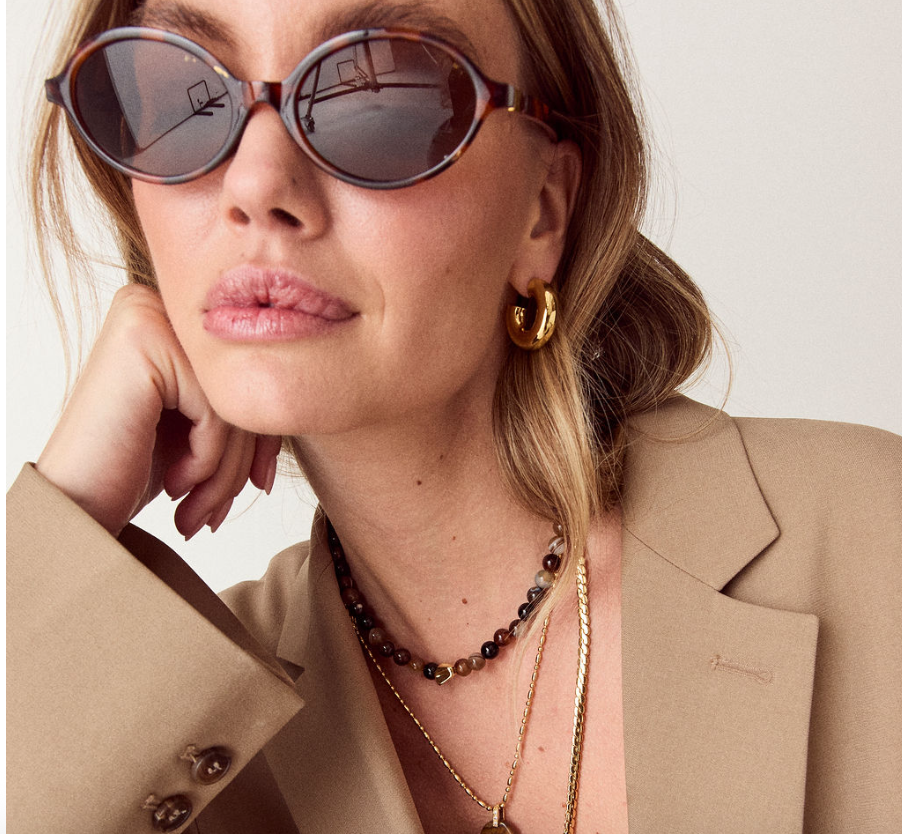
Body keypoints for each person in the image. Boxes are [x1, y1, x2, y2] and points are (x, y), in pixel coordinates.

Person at [7, 0, 901, 833]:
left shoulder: (873, 546)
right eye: (182, 99)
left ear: (543, 210)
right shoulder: (155, 742)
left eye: (377, 99)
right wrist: (66, 517)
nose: (255, 185)